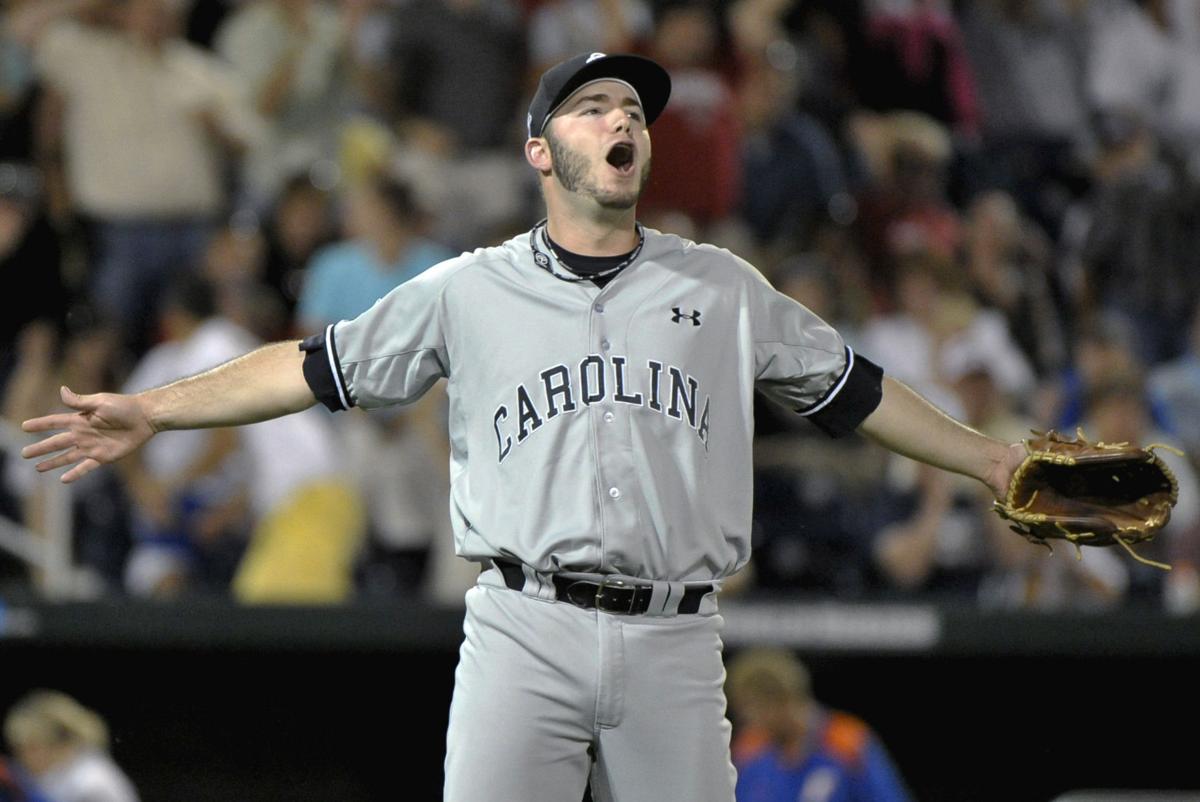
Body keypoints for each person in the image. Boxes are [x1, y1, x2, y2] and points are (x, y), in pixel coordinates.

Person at [20, 53, 1025, 802]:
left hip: (674, 633)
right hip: (522, 623)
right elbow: (310, 365)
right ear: (542, 150)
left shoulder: (720, 287)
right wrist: (154, 406)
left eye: (633, 109)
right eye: (594, 107)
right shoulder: (470, 288)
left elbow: (853, 389)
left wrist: (987, 457)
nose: (621, 118)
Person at [726, 648, 912, 802]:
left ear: (782, 701)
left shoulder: (848, 741)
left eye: (752, 711)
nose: (749, 722)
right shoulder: (748, 750)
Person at [3, 690, 139, 802]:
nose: (21, 757)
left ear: (54, 745)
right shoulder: (57, 772)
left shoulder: (92, 783)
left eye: (29, 748)